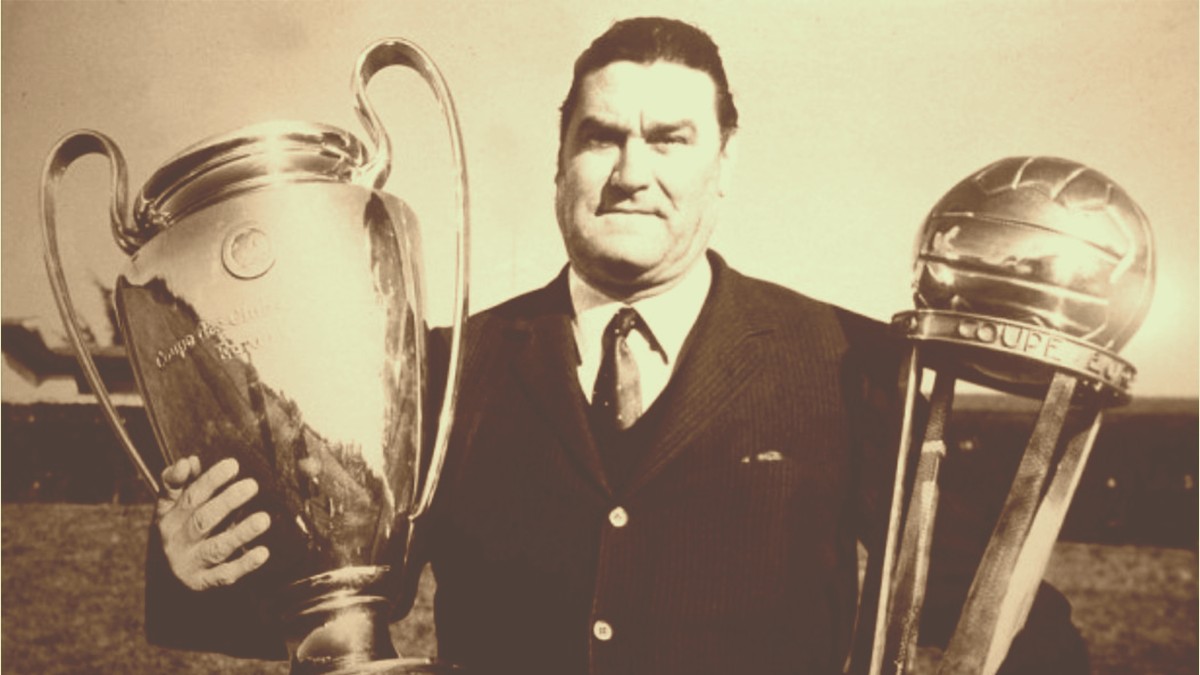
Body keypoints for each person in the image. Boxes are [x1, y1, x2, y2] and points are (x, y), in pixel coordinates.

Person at [146, 16, 1089, 674]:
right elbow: (331, 603)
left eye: (670, 139)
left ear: (725, 164)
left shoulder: (847, 362)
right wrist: (193, 562)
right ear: (560, 163)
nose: (632, 172)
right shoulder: (444, 370)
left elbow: (1007, 614)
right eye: (601, 138)